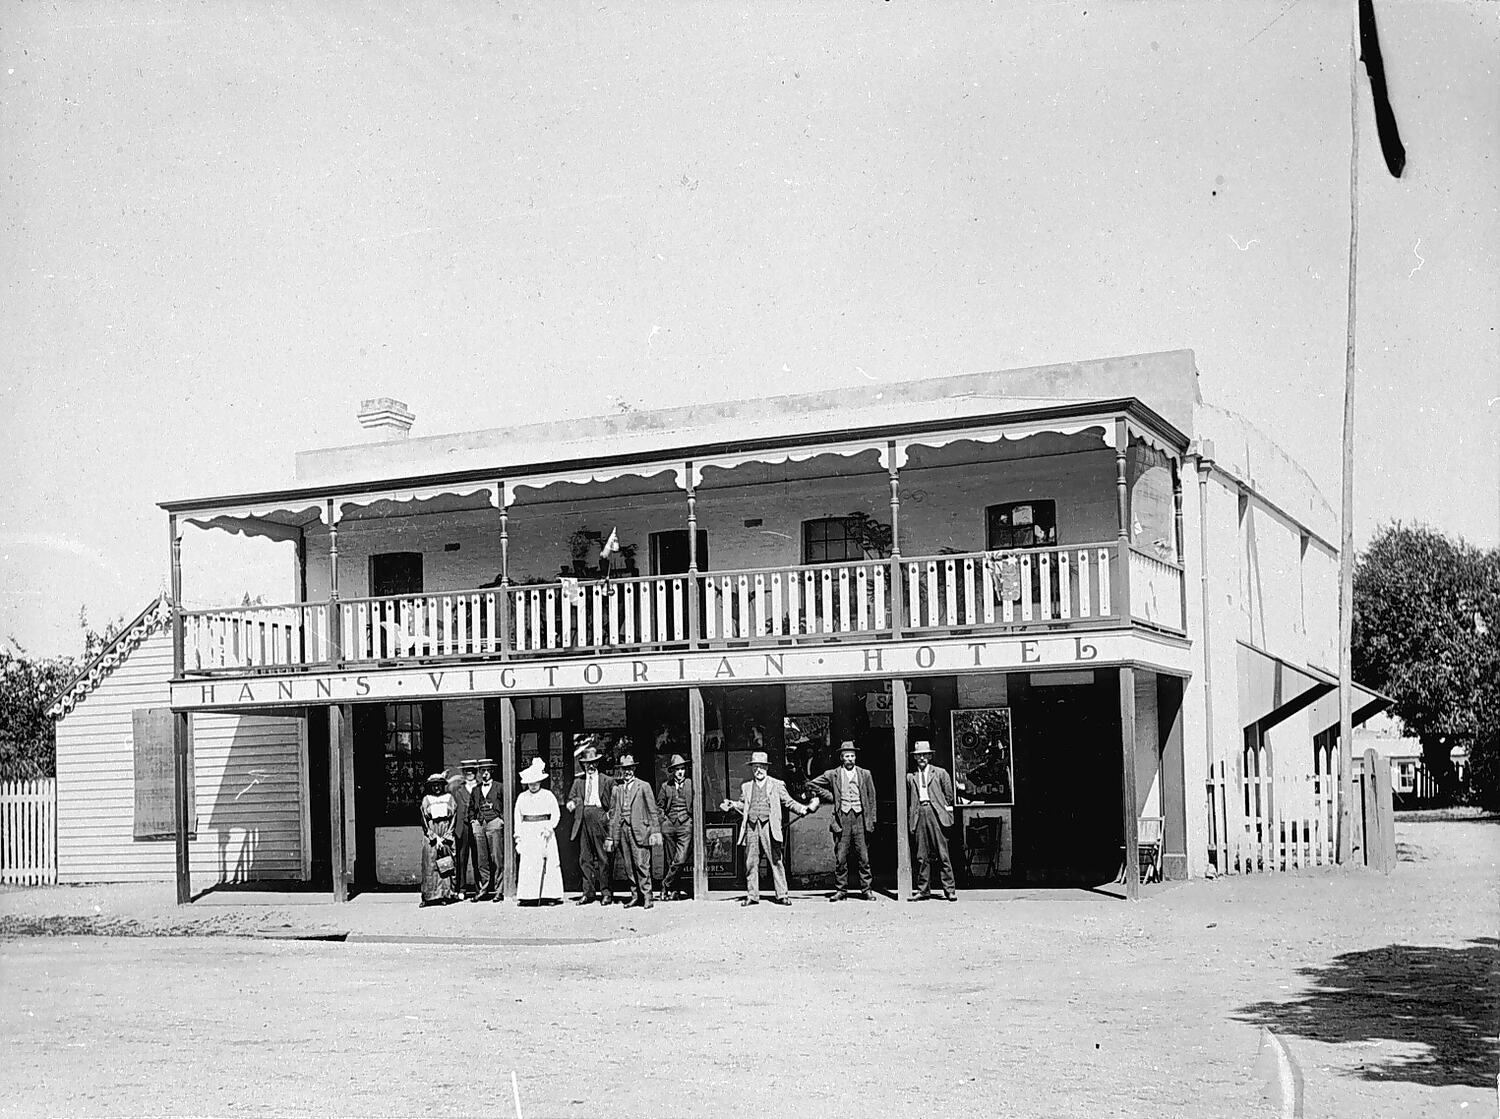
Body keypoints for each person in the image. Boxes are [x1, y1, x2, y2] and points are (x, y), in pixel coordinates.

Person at [721, 750, 811, 906]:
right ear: (752, 768)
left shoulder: (777, 785)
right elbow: (743, 805)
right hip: (751, 827)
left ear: (767, 768)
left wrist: (802, 809)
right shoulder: (746, 787)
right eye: (755, 767)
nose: (758, 770)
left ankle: (782, 895)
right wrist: (733, 804)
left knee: (776, 860)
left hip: (769, 826)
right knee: (751, 862)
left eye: (761, 767)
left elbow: (788, 802)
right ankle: (752, 895)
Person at [806, 740, 879, 901]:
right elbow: (813, 784)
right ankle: (841, 890)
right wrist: (833, 797)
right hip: (842, 818)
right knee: (841, 857)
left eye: (852, 756)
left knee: (863, 856)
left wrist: (871, 820)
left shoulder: (865, 774)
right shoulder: (833, 774)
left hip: (860, 817)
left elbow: (872, 798)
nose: (850, 759)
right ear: (841, 757)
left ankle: (866, 889)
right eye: (847, 756)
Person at [605, 752, 663, 908]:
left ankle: (647, 896)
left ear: (634, 769)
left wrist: (655, 831)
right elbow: (613, 813)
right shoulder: (617, 789)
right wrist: (611, 835)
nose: (627, 771)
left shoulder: (643, 786)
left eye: (630, 768)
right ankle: (635, 896)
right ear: (621, 771)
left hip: (640, 830)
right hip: (622, 830)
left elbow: (652, 810)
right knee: (628, 866)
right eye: (624, 769)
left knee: (641, 863)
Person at [907, 740, 957, 902]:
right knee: (922, 855)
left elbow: (948, 796)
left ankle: (949, 890)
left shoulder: (940, 773)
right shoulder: (911, 777)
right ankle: (923, 890)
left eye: (924, 755)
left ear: (929, 756)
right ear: (915, 758)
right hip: (920, 812)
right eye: (918, 755)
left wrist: (943, 812)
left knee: (942, 853)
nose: (922, 758)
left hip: (936, 813)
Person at [566, 746, 616, 904]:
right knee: (585, 858)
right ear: (584, 765)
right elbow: (571, 799)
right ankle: (588, 893)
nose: (591, 766)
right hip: (582, 820)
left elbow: (615, 803)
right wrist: (572, 804)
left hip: (599, 818)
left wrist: (607, 816)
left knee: (603, 858)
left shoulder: (607, 780)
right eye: (588, 763)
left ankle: (606, 892)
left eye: (593, 762)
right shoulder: (578, 782)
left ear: (598, 763)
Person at [514, 758, 564, 906]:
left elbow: (556, 813)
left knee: (548, 863)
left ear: (540, 782)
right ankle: (528, 896)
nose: (533, 785)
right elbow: (518, 818)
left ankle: (550, 895)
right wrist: (518, 837)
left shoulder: (548, 795)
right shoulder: (522, 797)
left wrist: (550, 828)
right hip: (528, 831)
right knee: (529, 863)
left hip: (544, 831)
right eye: (531, 783)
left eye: (536, 782)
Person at [656, 754, 694, 900]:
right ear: (673, 771)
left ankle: (665, 885)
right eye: (677, 769)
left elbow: (698, 803)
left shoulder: (691, 783)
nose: (680, 772)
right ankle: (674, 891)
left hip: (686, 825)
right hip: (669, 826)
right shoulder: (666, 786)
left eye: (682, 769)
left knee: (681, 859)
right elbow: (659, 807)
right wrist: (663, 822)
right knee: (671, 860)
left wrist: (691, 820)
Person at [419, 773, 459, 907]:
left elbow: (453, 818)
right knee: (430, 864)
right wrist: (434, 837)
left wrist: (446, 836)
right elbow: (424, 820)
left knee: (445, 864)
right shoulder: (426, 799)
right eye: (434, 785)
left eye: (439, 785)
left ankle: (444, 895)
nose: (437, 788)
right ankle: (429, 897)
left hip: (445, 830)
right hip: (432, 832)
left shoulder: (449, 798)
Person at [471, 759, 505, 902]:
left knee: (497, 858)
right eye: (482, 771)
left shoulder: (499, 787)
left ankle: (499, 891)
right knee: (482, 859)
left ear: (491, 772)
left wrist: (501, 819)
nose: (485, 774)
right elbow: (471, 808)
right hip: (479, 824)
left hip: (494, 823)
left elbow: (505, 804)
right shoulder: (476, 789)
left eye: (487, 771)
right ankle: (483, 889)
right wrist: (473, 821)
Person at [451, 761, 479, 900]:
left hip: (476, 825)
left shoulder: (480, 788)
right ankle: (461, 889)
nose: (470, 774)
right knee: (462, 859)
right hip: (463, 827)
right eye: (467, 772)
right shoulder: (458, 790)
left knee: (478, 857)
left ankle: (479, 888)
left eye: (472, 772)